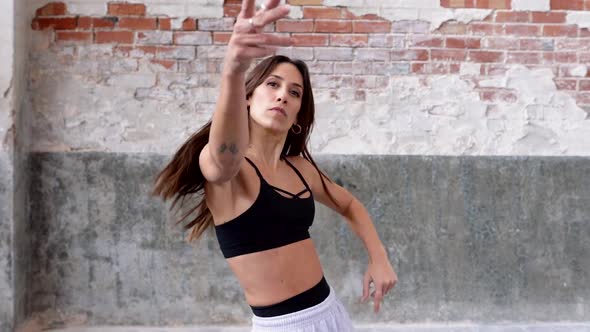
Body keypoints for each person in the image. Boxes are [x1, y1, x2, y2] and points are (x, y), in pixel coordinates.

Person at [152, 0, 398, 330]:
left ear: (298, 117)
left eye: (294, 93)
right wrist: (234, 69)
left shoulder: (300, 168)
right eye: (273, 84)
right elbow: (225, 152)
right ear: (248, 96)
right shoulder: (228, 173)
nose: (282, 95)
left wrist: (379, 258)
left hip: (331, 314)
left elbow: (350, 204)